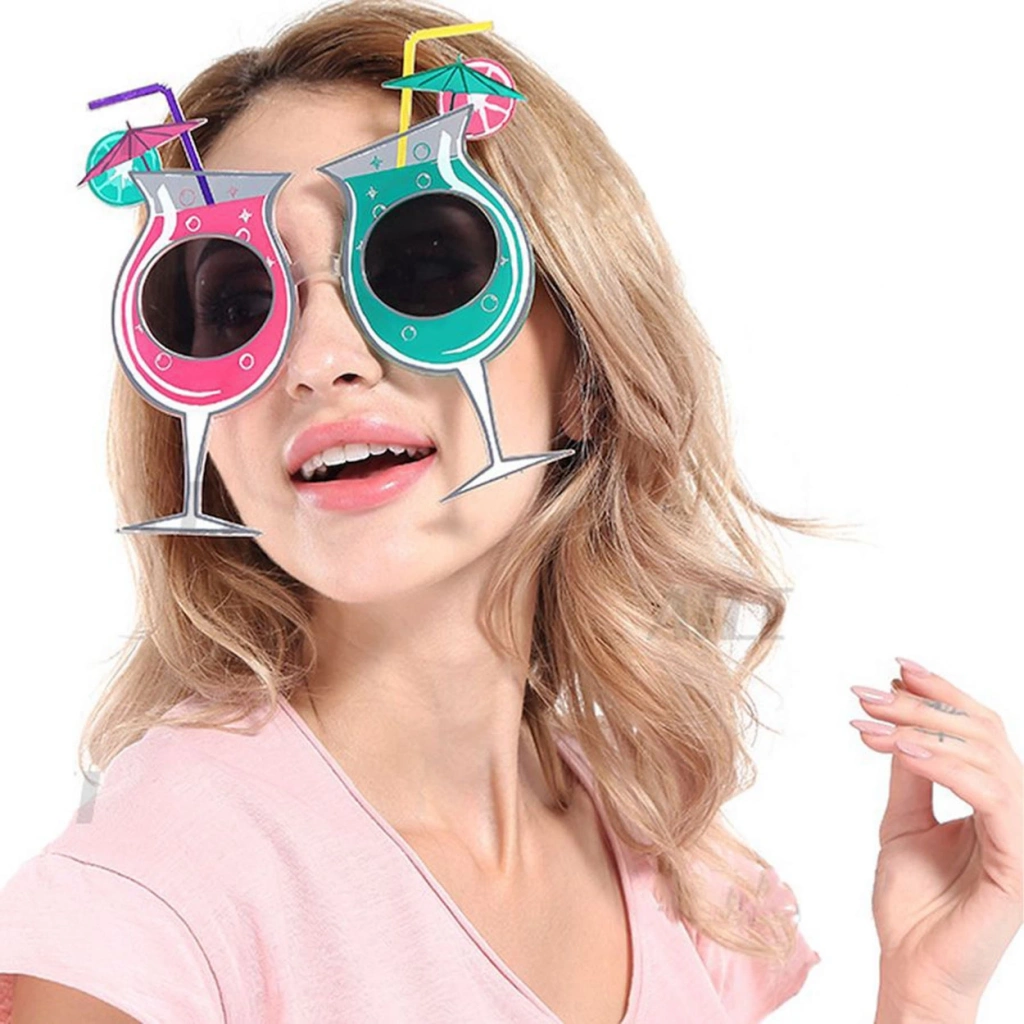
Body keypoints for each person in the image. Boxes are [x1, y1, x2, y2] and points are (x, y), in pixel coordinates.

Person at [1, 1, 1020, 1022]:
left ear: (583, 365)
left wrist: (926, 995)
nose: (318, 360)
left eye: (420, 266)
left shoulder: (670, 861)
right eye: (235, 305)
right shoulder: (148, 901)